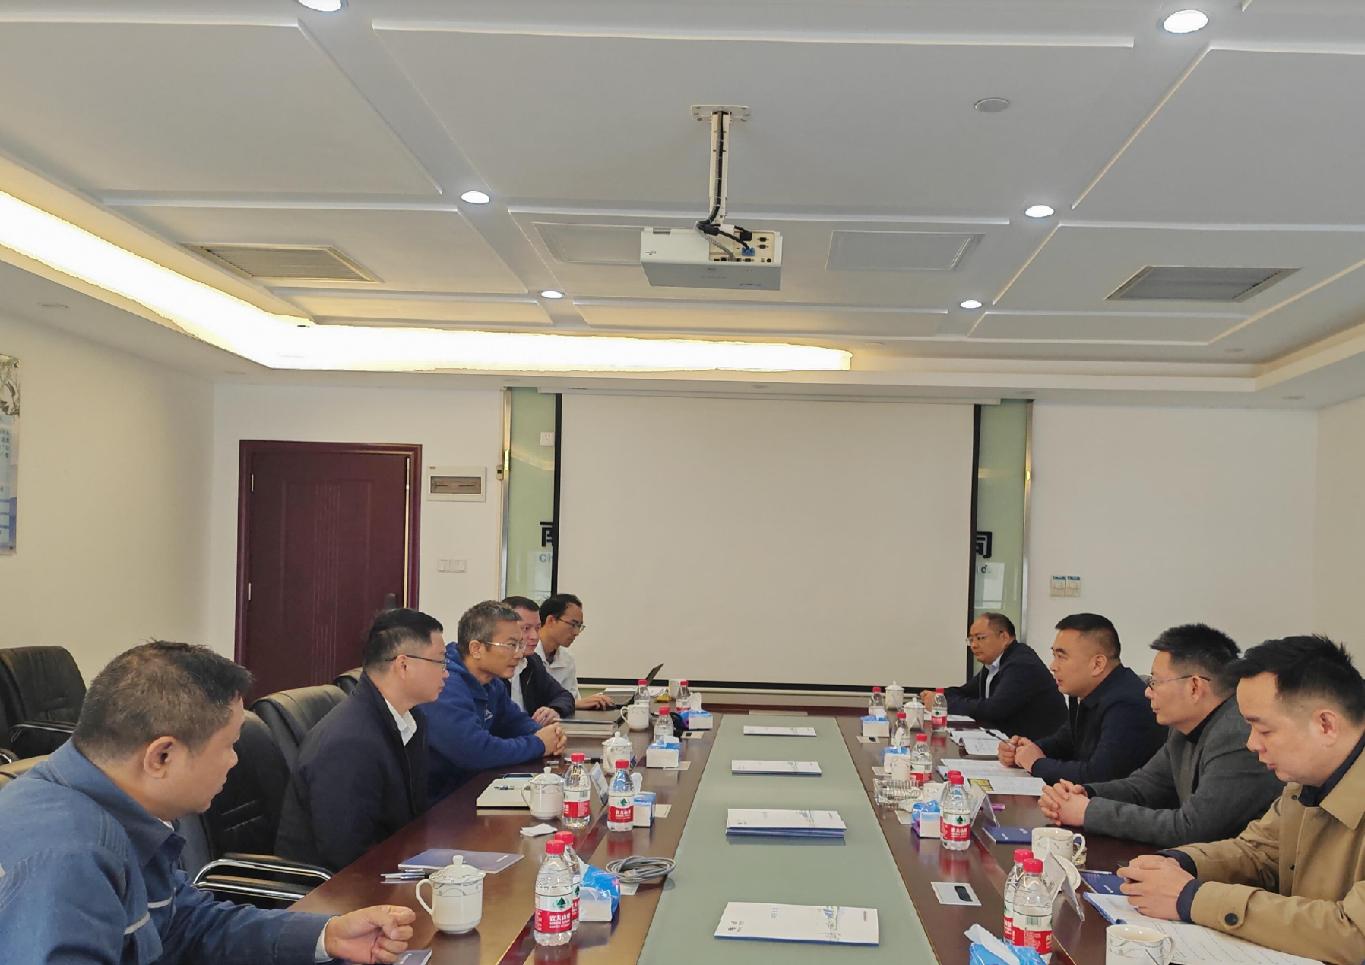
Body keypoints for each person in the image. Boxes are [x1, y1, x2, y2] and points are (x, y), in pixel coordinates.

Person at [0, 641, 415, 964]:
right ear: (162, 756)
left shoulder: (129, 808)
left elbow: (184, 923)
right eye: (228, 746)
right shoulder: (66, 859)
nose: (234, 761)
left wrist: (327, 936)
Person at [1119, 635, 1365, 964]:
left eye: (1264, 730)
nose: (1251, 744)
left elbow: (1353, 933)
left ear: (1326, 725)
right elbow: (1257, 852)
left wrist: (1192, 898)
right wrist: (1180, 862)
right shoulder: (1303, 783)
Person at [1040, 623, 1282, 846]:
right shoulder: (1182, 729)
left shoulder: (1237, 737)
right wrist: (1085, 793)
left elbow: (1193, 828)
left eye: (1155, 681)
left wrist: (1088, 812)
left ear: (1194, 687)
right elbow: (1144, 787)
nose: (1147, 692)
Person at [277, 608, 448, 871]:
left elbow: (410, 819)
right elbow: (346, 855)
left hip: (393, 864)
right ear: (403, 665)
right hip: (338, 887)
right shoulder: (350, 743)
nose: (446, 673)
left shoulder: (411, 721)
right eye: (440, 661)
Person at [426, 599, 568, 800]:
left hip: (475, 787)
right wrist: (539, 743)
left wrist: (550, 735)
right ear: (476, 649)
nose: (519, 654)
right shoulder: (445, 684)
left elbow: (514, 721)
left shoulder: (491, 682)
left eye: (520, 645)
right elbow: (475, 751)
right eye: (511, 645)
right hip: (439, 802)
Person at [998, 613, 1164, 784]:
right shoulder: (1085, 693)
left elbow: (1099, 776)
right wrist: (1023, 751)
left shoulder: (1127, 704)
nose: (1053, 666)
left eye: (1061, 657)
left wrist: (1036, 764)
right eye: (1054, 655)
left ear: (1097, 664)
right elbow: (1064, 743)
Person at [918, 612, 1066, 741]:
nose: (974, 645)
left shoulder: (1021, 664)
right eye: (971, 640)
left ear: (1004, 637)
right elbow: (965, 692)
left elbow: (994, 709)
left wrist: (941, 704)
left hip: (1042, 749)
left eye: (980, 638)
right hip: (1009, 744)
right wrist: (938, 696)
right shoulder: (994, 664)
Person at [503, 594, 575, 724]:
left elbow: (564, 696)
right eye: (526, 628)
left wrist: (554, 710)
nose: (535, 636)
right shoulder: (490, 670)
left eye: (537, 628)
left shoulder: (532, 662)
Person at [538, 593, 614, 711]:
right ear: (551, 620)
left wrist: (581, 703)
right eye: (573, 624)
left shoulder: (567, 658)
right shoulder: (525, 656)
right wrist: (576, 704)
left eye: (579, 626)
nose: (576, 632)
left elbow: (570, 699)